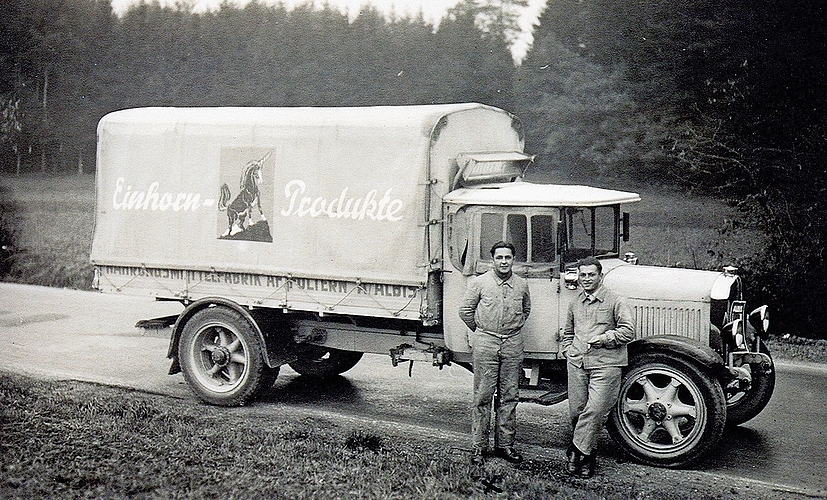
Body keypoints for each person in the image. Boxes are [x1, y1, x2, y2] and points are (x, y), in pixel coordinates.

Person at [561, 256, 635, 478]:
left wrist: (605, 338)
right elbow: (567, 333)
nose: (586, 279)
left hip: (606, 364)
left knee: (594, 410)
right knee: (577, 412)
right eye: (582, 275)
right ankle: (588, 453)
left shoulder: (615, 300)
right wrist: (568, 350)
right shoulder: (575, 303)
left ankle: (577, 452)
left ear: (600, 277)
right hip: (577, 363)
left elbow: (628, 331)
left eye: (591, 274)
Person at [459, 241, 531, 465]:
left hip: (512, 343)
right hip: (486, 342)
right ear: (493, 260)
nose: (503, 262)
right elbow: (465, 311)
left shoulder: (521, 284)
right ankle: (479, 447)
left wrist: (509, 330)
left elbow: (526, 310)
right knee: (483, 396)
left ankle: (505, 446)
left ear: (513, 260)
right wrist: (482, 332)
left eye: (507, 257)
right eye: (499, 257)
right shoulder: (479, 283)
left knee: (509, 396)